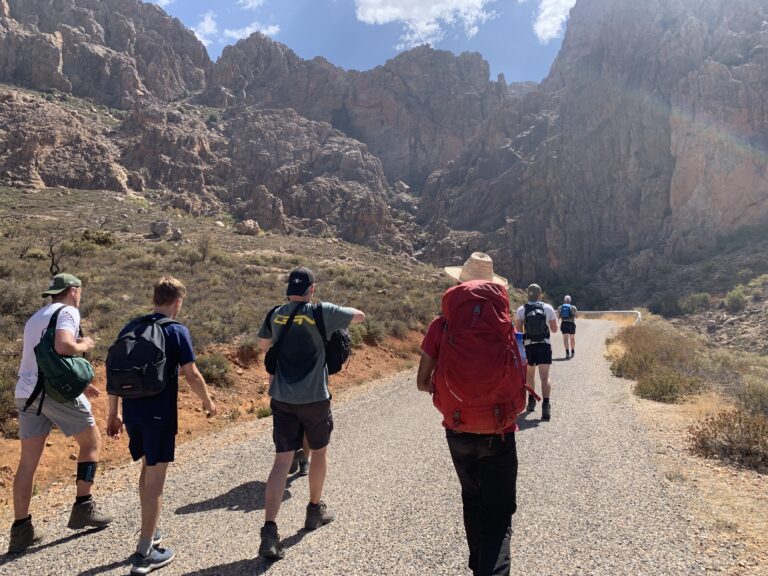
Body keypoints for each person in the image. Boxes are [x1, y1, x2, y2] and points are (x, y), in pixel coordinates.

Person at [417, 252, 520, 576]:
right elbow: (521, 374)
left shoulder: (441, 325)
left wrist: (448, 391)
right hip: (499, 428)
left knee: (472, 498)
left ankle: (479, 566)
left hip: (458, 427)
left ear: (459, 283)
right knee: (499, 513)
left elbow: (421, 382)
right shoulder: (505, 325)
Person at [106, 276, 217, 576]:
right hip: (159, 414)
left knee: (147, 468)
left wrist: (112, 413)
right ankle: (145, 552)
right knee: (156, 477)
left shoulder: (131, 326)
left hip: (132, 412)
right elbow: (191, 374)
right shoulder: (176, 330)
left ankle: (151, 530)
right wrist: (208, 403)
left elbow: (114, 373)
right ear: (177, 301)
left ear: (155, 297)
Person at [256, 266, 364, 560]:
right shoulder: (321, 312)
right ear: (311, 289)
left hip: (282, 398)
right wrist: (331, 318)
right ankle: (314, 511)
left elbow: (264, 345)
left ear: (288, 288)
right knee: (318, 453)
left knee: (281, 462)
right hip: (315, 398)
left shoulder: (275, 313)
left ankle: (269, 530)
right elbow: (359, 315)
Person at [9, 273, 113, 554]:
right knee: (91, 443)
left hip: (26, 392)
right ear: (72, 291)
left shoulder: (36, 316)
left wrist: (82, 383)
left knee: (27, 462)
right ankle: (83, 507)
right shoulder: (68, 311)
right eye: (79, 291)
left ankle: (21, 530)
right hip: (51, 393)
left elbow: (44, 358)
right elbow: (63, 347)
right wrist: (85, 345)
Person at [515, 284, 558, 421]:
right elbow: (555, 329)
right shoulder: (548, 308)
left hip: (529, 347)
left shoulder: (522, 309)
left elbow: (519, 331)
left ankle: (531, 401)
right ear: (540, 294)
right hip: (544, 346)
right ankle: (546, 406)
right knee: (544, 377)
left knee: (530, 376)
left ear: (528, 294)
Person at [556, 295, 578, 359]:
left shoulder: (560, 307)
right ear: (570, 300)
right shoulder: (573, 307)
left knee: (565, 339)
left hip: (564, 324)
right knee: (572, 338)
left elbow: (558, 317)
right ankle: (572, 351)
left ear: (564, 300)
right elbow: (577, 316)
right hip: (571, 324)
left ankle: (567, 353)